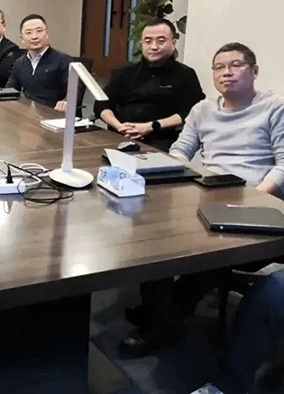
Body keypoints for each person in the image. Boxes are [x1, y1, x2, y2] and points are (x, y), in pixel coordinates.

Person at [120, 42, 284, 358]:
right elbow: (182, 150)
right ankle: (160, 310)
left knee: (207, 245)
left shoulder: (275, 108)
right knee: (151, 233)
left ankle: (165, 322)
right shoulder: (202, 109)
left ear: (254, 71)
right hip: (208, 192)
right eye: (219, 67)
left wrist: (256, 197)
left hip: (256, 203)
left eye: (235, 65)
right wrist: (170, 172)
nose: (226, 72)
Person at [94, 18, 205, 151]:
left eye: (161, 41)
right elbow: (101, 103)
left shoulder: (185, 74)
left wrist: (151, 126)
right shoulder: (126, 72)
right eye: (148, 41)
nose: (153, 46)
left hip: (160, 140)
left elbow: (192, 112)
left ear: (173, 43)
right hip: (120, 136)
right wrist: (119, 126)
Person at [5, 14, 72, 110]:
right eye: (28, 33)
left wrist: (65, 102)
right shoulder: (19, 63)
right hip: (28, 113)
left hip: (54, 113)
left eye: (39, 31)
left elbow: (75, 91)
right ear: (22, 38)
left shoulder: (63, 60)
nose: (34, 36)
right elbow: (10, 90)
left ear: (47, 34)